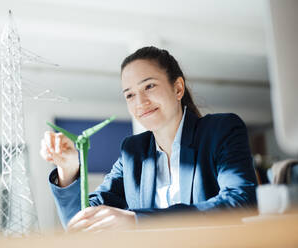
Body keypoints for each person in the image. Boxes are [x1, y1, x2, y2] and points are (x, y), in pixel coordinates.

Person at [40, 46, 257, 232]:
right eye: (130, 95)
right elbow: (81, 224)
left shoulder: (221, 130)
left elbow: (240, 202)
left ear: (178, 88)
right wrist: (68, 170)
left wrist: (137, 221)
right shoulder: (132, 152)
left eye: (149, 86)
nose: (140, 102)